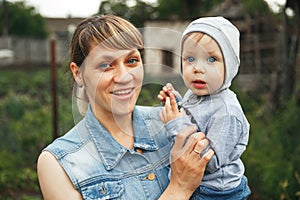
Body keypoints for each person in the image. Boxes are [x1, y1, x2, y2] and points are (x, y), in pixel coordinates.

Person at [37, 15, 214, 200]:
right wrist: (179, 188)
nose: (124, 77)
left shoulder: (172, 124)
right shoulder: (58, 164)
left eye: (131, 61)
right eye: (106, 65)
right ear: (78, 73)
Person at [158, 16, 251, 199]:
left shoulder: (227, 112)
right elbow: (192, 119)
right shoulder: (195, 94)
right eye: (190, 58)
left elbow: (209, 161)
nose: (197, 68)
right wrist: (175, 104)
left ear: (229, 65)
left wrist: (176, 124)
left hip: (216, 192)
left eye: (211, 59)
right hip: (194, 183)